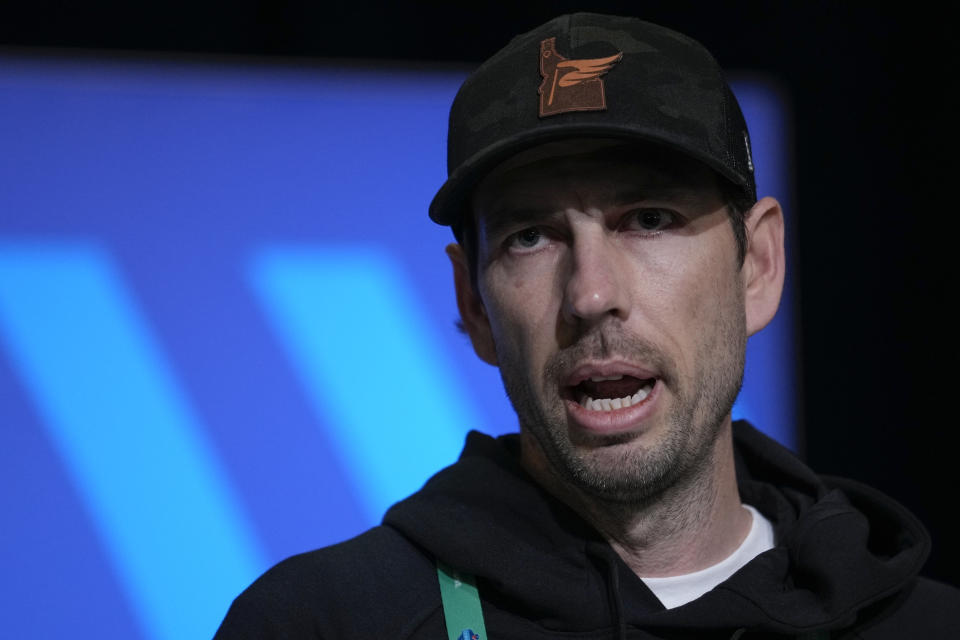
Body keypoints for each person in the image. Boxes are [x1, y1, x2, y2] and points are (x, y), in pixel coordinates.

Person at [214, 13, 959, 639]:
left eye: (649, 219)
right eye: (530, 237)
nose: (591, 294)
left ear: (757, 266)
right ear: (473, 304)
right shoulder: (321, 623)